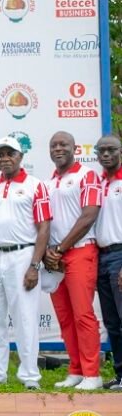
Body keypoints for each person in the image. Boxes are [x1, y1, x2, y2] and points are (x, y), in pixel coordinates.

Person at [0, 136, 51, 389]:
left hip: (22, 255)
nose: (5, 158)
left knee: (25, 317)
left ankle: (29, 376)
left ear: (20, 157)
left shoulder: (35, 186)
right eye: (0, 154)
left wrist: (34, 265)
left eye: (10, 154)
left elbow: (43, 227)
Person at [43, 131, 103, 390]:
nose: (58, 149)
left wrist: (60, 247)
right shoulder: (48, 183)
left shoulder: (87, 175)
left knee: (83, 314)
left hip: (79, 251)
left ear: (74, 149)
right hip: (55, 257)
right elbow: (43, 223)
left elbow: (89, 215)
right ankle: (76, 370)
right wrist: (48, 251)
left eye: (63, 145)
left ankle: (93, 374)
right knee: (65, 317)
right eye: (54, 145)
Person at [93, 134, 122, 390]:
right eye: (101, 151)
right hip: (101, 256)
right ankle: (121, 375)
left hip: (120, 255)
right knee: (112, 321)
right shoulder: (99, 183)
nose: (105, 154)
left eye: (111, 149)